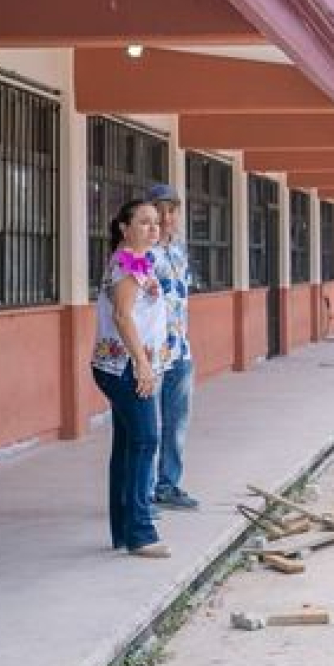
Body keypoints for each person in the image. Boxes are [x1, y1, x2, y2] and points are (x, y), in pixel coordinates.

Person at [92, 199, 171, 558]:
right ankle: (140, 531)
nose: (153, 228)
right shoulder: (126, 264)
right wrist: (141, 363)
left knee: (128, 447)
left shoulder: (141, 262)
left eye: (156, 222)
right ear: (124, 228)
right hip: (124, 367)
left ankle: (124, 529)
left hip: (126, 365)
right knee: (145, 441)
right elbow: (124, 316)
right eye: (143, 222)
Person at [147, 183, 199, 511]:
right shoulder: (141, 254)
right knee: (148, 426)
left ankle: (169, 485)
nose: (166, 218)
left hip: (180, 349)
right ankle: (145, 493)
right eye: (160, 210)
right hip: (152, 352)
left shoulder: (178, 251)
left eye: (172, 211)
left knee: (177, 422)